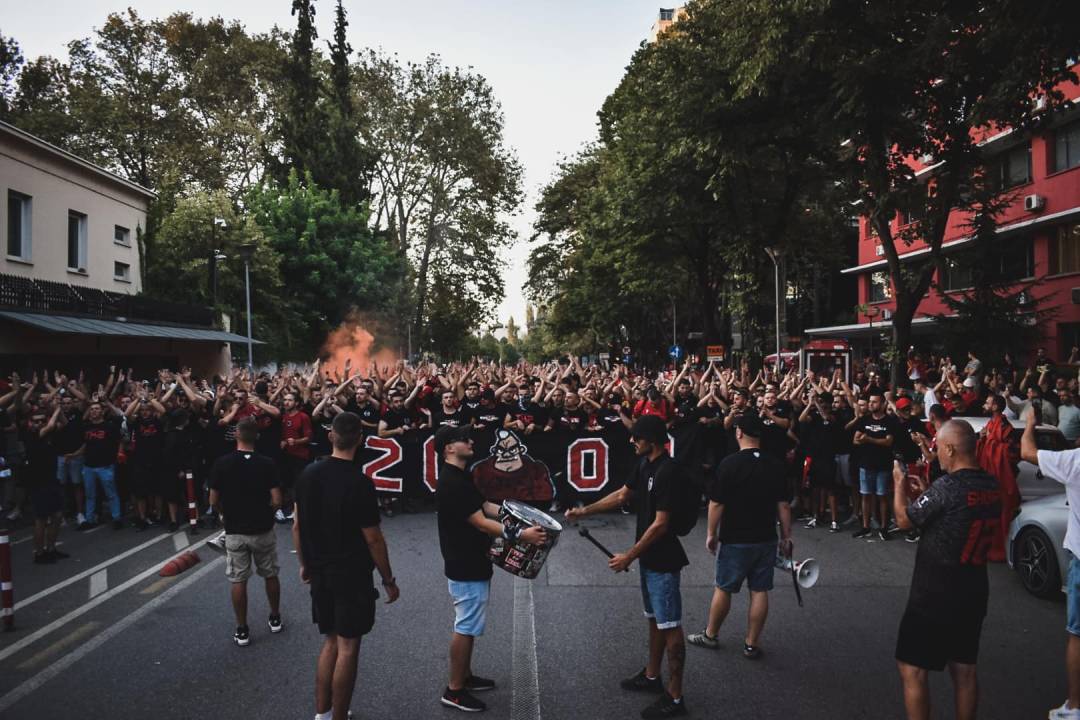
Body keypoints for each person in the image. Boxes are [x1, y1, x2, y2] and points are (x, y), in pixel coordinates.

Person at [566, 415, 689, 719]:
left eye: (637, 437)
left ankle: (675, 697)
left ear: (653, 440)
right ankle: (651, 676)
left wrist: (629, 556)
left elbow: (661, 524)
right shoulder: (645, 465)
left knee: (670, 625)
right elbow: (623, 494)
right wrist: (584, 511)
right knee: (655, 619)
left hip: (663, 560)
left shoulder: (668, 472)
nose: (632, 441)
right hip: (649, 558)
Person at [293, 411, 399, 720]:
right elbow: (374, 539)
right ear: (361, 440)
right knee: (349, 646)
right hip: (351, 573)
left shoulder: (308, 474)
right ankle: (338, 716)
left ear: (331, 436)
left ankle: (323, 715)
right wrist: (388, 579)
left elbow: (297, 527)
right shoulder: (360, 482)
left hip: (320, 570)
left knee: (330, 641)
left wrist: (304, 564)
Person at [892, 420, 1000, 720]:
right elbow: (957, 514)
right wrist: (927, 493)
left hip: (934, 594)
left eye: (938, 447)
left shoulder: (948, 486)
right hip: (974, 589)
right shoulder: (991, 484)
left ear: (950, 449)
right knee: (964, 669)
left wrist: (899, 483)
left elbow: (904, 521)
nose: (935, 452)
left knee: (912, 668)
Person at [436, 424, 547, 713]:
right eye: (463, 439)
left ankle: (465, 676)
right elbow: (480, 522)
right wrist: (523, 535)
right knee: (466, 625)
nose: (470, 441)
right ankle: (454, 689)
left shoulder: (461, 476)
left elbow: (486, 506)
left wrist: (524, 517)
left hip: (471, 558)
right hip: (464, 562)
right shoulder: (452, 482)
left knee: (469, 625)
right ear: (449, 448)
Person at [687, 413, 791, 659]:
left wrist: (711, 533)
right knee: (759, 590)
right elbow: (784, 504)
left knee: (724, 587)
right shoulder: (775, 464)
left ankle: (711, 635)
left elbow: (716, 503)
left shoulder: (729, 463)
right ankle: (751, 643)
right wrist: (786, 536)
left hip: (735, 537)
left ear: (739, 433)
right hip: (766, 536)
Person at [1019, 408, 1080, 719]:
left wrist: (1030, 423)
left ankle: (1074, 705)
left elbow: (1027, 451)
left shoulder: (1076, 462)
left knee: (1077, 634)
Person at [208, 416, 283, 647]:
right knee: (270, 574)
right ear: (257, 437)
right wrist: (268, 512)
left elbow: (213, 500)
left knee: (238, 579)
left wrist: (223, 514)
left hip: (234, 530)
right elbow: (277, 499)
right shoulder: (267, 463)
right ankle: (274, 616)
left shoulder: (222, 463)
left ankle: (242, 629)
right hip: (262, 528)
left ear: (236, 435)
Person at [23, 404, 70, 563]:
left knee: (57, 516)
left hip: (52, 480)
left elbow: (64, 424)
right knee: (41, 519)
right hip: (38, 483)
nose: (39, 424)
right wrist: (57, 407)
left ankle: (51, 548)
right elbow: (51, 425)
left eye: (42, 420)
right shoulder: (32, 434)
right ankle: (39, 553)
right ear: (30, 423)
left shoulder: (49, 433)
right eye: (36, 421)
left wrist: (59, 411)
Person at [852, 393, 897, 541]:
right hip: (866, 463)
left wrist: (869, 439)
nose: (871, 404)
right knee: (865, 495)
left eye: (874, 402)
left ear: (882, 403)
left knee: (882, 496)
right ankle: (865, 526)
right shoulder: (864, 420)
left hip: (883, 464)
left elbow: (888, 442)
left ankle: (884, 527)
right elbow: (856, 440)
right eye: (870, 402)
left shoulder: (889, 421)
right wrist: (865, 440)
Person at [81, 401, 124, 530]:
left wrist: (120, 453)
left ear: (102, 411)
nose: (94, 411)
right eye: (92, 409)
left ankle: (116, 518)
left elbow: (120, 421)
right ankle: (89, 519)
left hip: (105, 465)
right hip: (89, 466)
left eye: (96, 409)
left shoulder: (109, 426)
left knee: (111, 493)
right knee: (90, 494)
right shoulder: (86, 426)